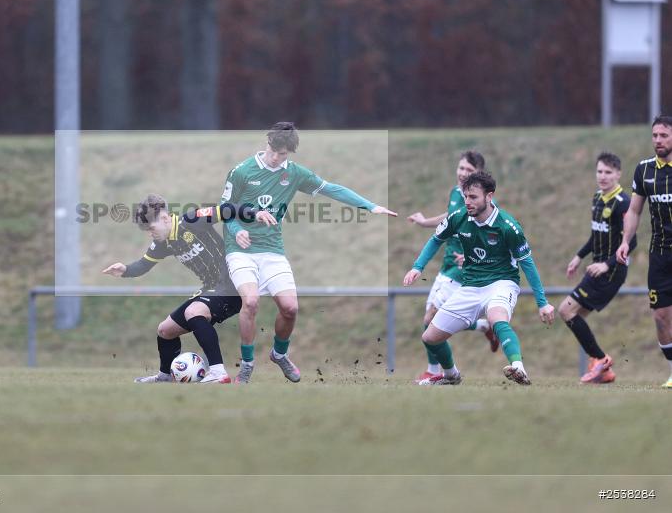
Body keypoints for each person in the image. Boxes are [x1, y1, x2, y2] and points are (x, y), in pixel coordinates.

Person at [221, 122, 397, 384]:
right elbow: (225, 209)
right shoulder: (241, 171)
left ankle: (279, 355)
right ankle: (246, 364)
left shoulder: (294, 174)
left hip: (272, 250)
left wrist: (369, 206)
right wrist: (236, 231)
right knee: (251, 302)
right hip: (241, 250)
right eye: (275, 152)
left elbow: (331, 188)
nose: (278, 158)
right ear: (267, 144)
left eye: (284, 155)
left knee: (291, 308)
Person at [103, 195, 275, 384]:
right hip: (211, 289)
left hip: (231, 285)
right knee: (165, 330)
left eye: (151, 228)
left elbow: (227, 209)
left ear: (165, 219)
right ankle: (165, 376)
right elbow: (143, 265)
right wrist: (125, 270)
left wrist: (255, 213)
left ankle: (218, 373)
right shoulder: (163, 243)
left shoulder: (193, 220)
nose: (150, 233)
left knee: (194, 311)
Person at [403, 171, 554, 385]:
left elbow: (527, 263)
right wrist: (417, 267)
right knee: (430, 337)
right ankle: (451, 375)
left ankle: (518, 368)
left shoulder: (508, 227)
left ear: (489, 196)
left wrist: (543, 303)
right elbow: (436, 239)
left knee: (496, 318)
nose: (467, 202)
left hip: (502, 283)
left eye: (473, 197)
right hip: (471, 286)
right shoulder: (458, 217)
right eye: (465, 196)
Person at [406, 151, 498, 382]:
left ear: (478, 175)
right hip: (447, 265)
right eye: (460, 168)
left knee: (430, 319)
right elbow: (449, 217)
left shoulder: (484, 203)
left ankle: (440, 372)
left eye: (468, 170)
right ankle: (483, 326)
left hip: (461, 268)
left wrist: (474, 257)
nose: (462, 173)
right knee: (430, 320)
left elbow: (491, 234)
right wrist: (425, 221)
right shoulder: (456, 194)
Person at [560, 152, 635, 384]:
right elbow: (596, 235)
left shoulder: (623, 202)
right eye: (600, 171)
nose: (603, 176)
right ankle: (603, 369)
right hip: (595, 268)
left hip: (611, 271)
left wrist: (606, 264)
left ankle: (601, 359)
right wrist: (579, 256)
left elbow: (631, 242)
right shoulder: (598, 198)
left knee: (566, 310)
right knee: (574, 316)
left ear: (618, 174)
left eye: (608, 172)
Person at [616, 115, 672, 388]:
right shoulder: (644, 170)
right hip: (660, 254)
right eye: (655, 136)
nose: (659, 140)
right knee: (661, 317)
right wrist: (626, 241)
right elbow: (635, 210)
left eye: (664, 135)